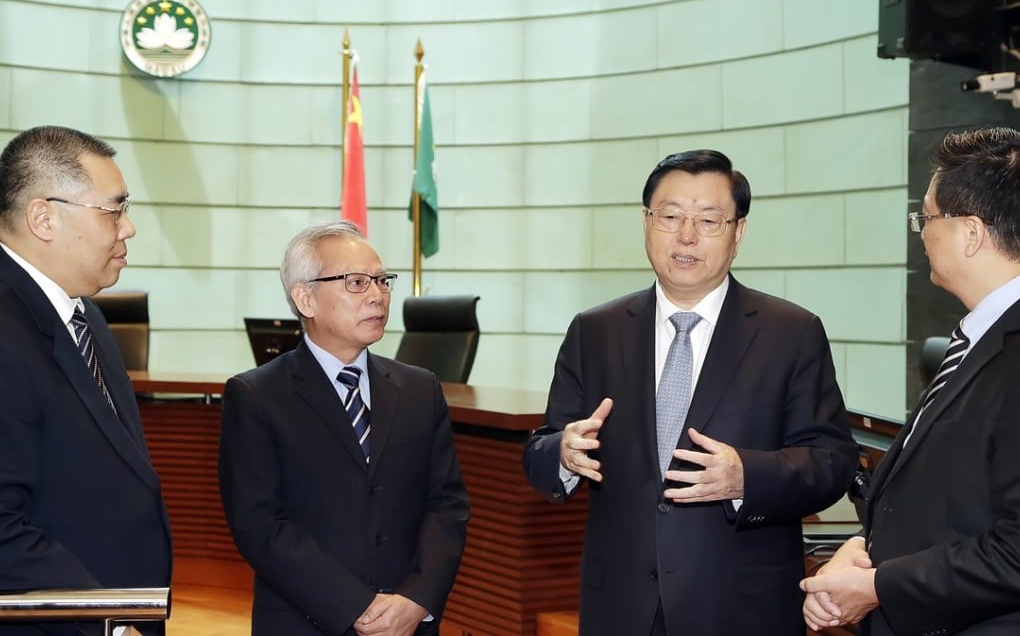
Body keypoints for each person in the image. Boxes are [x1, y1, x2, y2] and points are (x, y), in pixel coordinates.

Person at [523, 149, 858, 636]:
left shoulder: (791, 333)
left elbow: (832, 462)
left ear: (738, 233)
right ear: (646, 222)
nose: (686, 236)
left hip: (741, 610)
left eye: (708, 220)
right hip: (621, 607)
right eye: (670, 216)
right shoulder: (595, 331)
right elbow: (540, 450)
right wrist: (563, 453)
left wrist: (746, 477)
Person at [802, 126, 1020, 635]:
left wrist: (879, 586)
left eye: (927, 217)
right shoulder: (978, 340)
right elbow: (950, 503)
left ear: (970, 234)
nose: (921, 232)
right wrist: (861, 550)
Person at [218, 220, 470, 636]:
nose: (377, 295)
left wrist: (417, 599)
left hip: (409, 623)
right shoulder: (257, 395)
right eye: (356, 282)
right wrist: (357, 606)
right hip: (305, 622)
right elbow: (260, 525)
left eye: (382, 281)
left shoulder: (420, 389)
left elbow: (447, 505)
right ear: (306, 299)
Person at [0, 126, 172, 636]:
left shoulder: (84, 313)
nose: (129, 228)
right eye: (113, 210)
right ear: (43, 218)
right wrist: (106, 625)